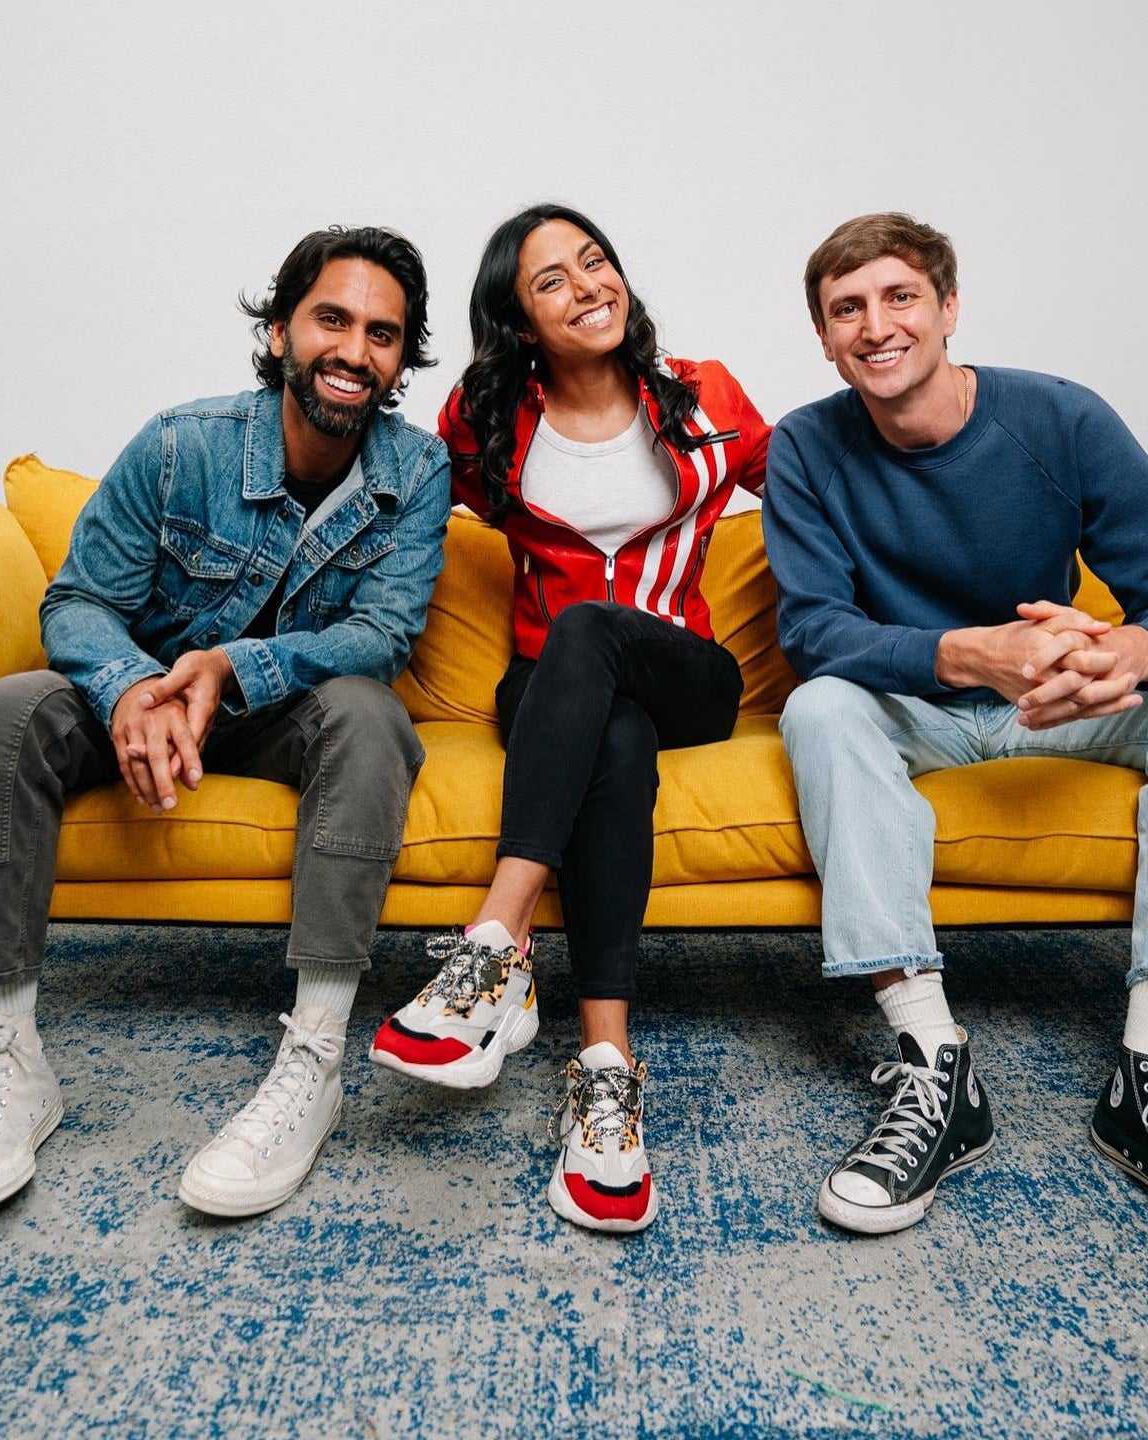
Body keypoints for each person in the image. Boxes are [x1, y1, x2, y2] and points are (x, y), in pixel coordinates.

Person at [762, 212, 1148, 1284]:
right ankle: (933, 1063)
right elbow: (814, 629)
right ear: (825, 339)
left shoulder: (1060, 418)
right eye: (847, 310)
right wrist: (972, 653)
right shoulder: (807, 445)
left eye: (899, 297)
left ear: (949, 307)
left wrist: (1138, 652)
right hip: (918, 697)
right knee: (817, 706)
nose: (877, 327)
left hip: (1059, 694)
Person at [0, 226, 450, 1229]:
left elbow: (379, 636)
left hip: (278, 710)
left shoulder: (414, 471)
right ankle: (8, 1061)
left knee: (371, 715)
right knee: (0, 708)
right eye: (333, 318)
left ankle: (315, 1056)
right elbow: (76, 602)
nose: (355, 350)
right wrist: (130, 690)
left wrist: (230, 668)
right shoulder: (180, 445)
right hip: (142, 690)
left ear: (400, 359)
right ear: (283, 327)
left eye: (384, 334)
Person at [367, 204, 770, 1233]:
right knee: (611, 736)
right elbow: (408, 490)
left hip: (688, 676)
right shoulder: (486, 417)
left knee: (593, 631)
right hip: (558, 695)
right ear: (519, 321)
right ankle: (606, 1070)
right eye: (552, 280)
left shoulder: (704, 392)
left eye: (596, 262)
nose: (588, 285)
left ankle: (495, 944)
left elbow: (813, 483)